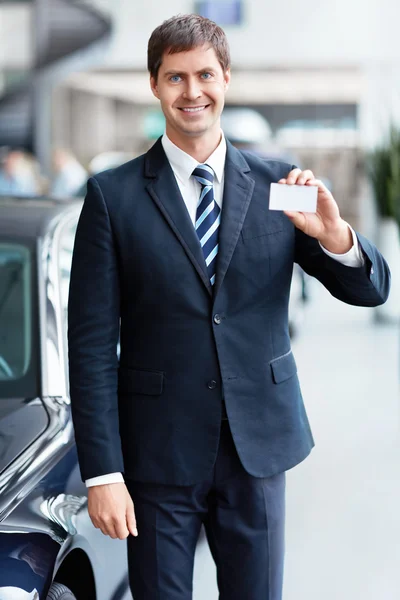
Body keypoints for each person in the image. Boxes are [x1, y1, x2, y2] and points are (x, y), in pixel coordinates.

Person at [67, 14, 390, 600]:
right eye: (175, 77)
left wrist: (336, 236)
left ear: (226, 78)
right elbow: (90, 347)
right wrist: (103, 473)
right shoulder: (111, 198)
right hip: (156, 456)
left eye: (205, 75)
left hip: (257, 449)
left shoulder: (280, 185)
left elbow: (370, 290)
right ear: (154, 84)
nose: (192, 92)